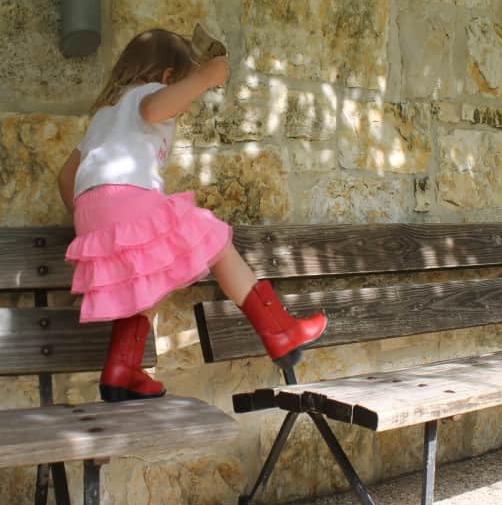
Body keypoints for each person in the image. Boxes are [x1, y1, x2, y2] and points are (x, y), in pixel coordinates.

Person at [58, 28, 326, 403]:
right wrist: (205, 77)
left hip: (93, 215)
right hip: (128, 198)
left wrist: (91, 219)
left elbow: (65, 176)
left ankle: (122, 370)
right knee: (215, 240)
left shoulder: (103, 117)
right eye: (180, 89)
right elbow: (154, 109)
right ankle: (278, 330)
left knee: (152, 273)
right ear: (168, 78)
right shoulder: (146, 96)